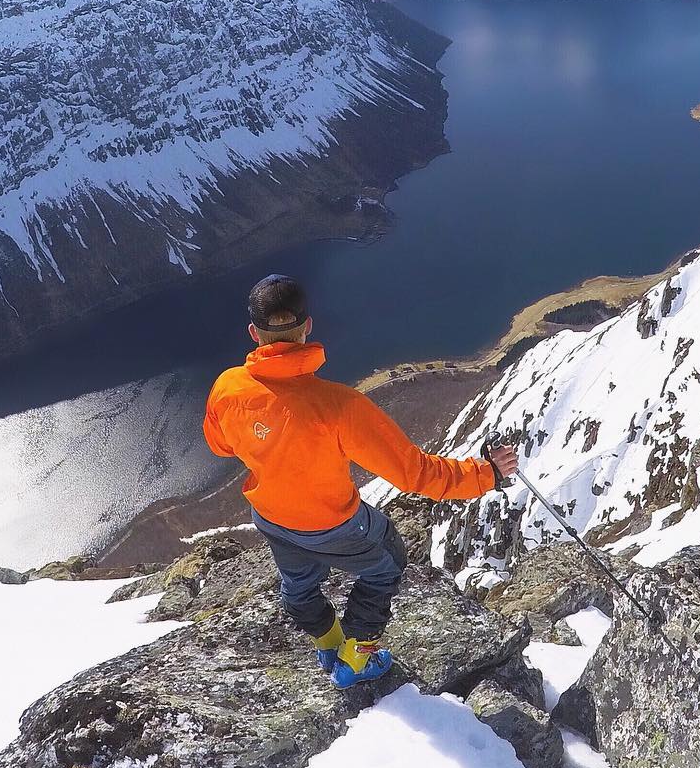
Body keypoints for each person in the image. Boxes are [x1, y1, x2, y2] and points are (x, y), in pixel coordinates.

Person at [203, 273, 518, 687]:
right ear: (307, 326)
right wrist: (487, 474)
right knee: (387, 564)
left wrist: (264, 437)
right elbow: (415, 473)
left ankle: (328, 642)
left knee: (298, 583)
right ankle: (355, 659)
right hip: (334, 525)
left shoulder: (228, 388)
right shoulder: (339, 406)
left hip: (271, 517)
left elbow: (220, 446)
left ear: (253, 332)